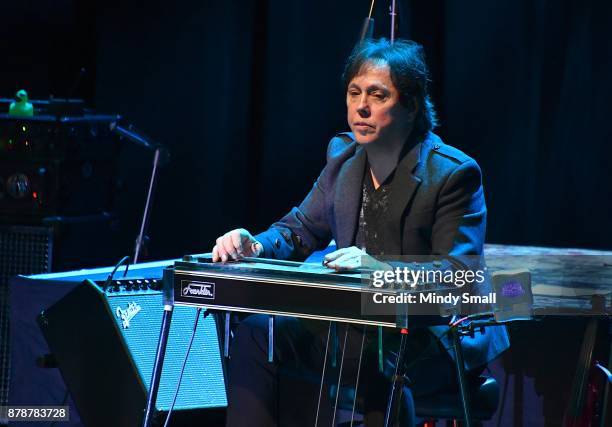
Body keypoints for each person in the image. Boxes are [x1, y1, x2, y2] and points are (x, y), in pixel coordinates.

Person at [212, 38, 509, 426]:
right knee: (257, 334)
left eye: (377, 94)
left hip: (435, 336)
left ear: (410, 105)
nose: (361, 107)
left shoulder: (453, 174)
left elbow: (457, 276)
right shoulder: (344, 160)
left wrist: (376, 268)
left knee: (375, 355)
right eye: (354, 93)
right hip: (358, 325)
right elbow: (298, 230)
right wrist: (253, 244)